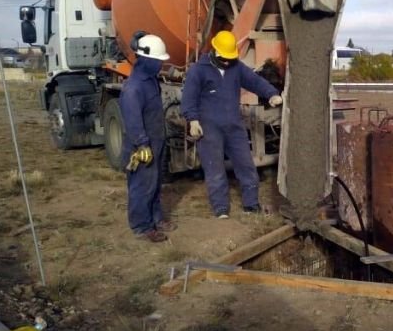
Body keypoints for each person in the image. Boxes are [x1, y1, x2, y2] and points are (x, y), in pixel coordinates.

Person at [181, 30, 283, 219]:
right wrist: (192, 120)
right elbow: (189, 98)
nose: (228, 62)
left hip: (234, 126)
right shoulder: (198, 70)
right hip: (209, 127)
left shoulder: (236, 67)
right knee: (215, 169)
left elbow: (254, 81)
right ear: (216, 52)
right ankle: (221, 208)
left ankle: (251, 205)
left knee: (246, 165)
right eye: (225, 58)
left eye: (231, 58)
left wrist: (271, 93)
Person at [120, 32, 175, 243]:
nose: (161, 65)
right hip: (142, 146)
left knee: (155, 183)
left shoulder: (150, 80)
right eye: (158, 61)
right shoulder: (133, 88)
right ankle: (141, 227)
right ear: (146, 60)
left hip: (156, 141)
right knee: (142, 186)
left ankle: (156, 218)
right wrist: (142, 144)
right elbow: (133, 120)